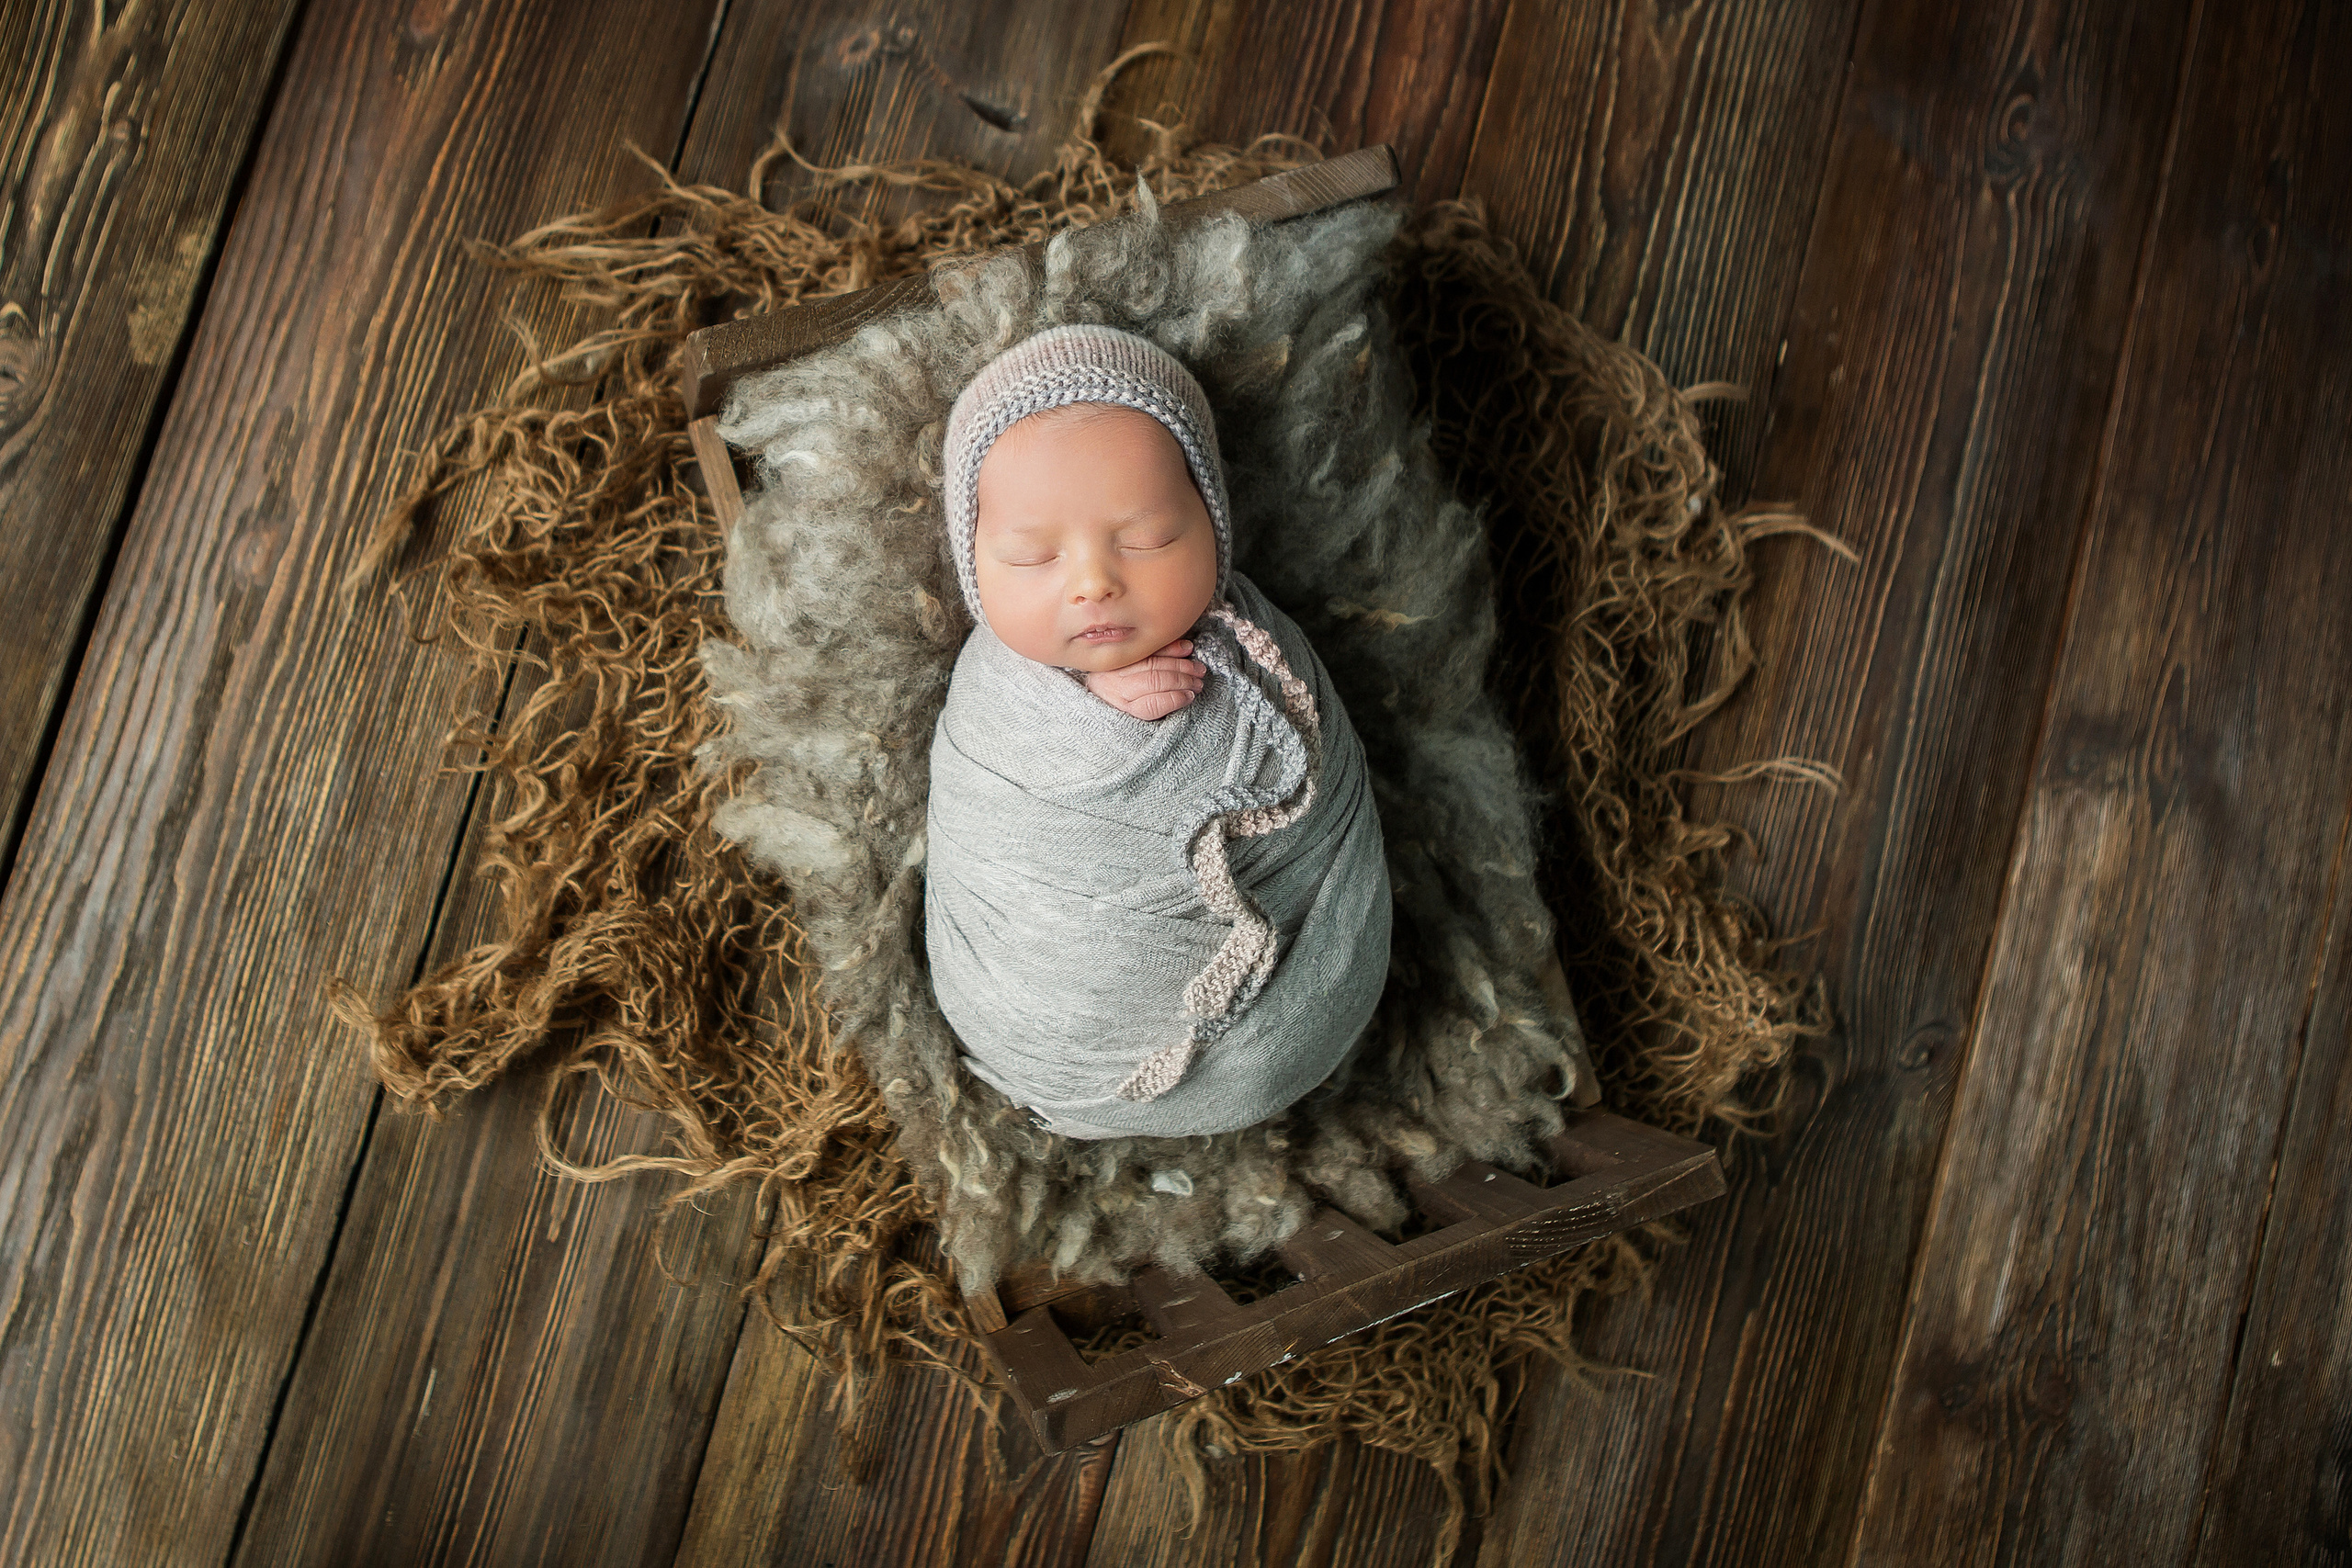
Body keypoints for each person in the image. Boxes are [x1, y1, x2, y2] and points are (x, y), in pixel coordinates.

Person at [922, 322, 1392, 1141]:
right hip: (1051, 1032)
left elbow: (1328, 792)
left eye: (1146, 540)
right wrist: (1091, 713)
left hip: (1297, 1021)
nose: (1095, 583)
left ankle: (1271, 1049)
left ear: (1211, 526)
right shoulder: (994, 693)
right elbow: (995, 829)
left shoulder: (1263, 651)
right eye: (1033, 558)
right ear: (975, 571)